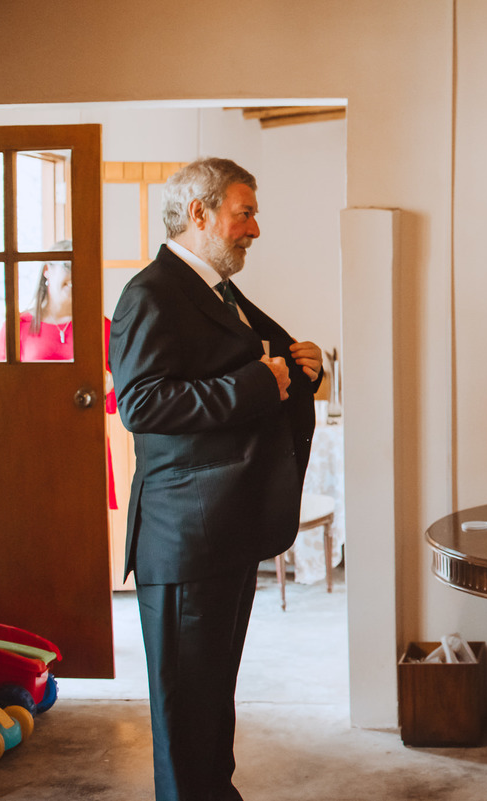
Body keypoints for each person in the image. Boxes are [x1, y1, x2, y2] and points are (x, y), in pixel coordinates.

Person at [109, 157, 322, 801]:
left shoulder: (215, 290)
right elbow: (142, 404)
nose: (254, 229)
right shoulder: (151, 294)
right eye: (245, 212)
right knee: (185, 712)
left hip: (222, 530)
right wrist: (261, 380)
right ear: (199, 213)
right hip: (184, 539)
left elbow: (256, 364)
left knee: (211, 702)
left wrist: (298, 366)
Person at [0, 240, 120, 509]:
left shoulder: (103, 328)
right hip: (32, 446)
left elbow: (112, 404)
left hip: (86, 446)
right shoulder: (17, 327)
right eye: (66, 266)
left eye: (81, 268)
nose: (74, 274)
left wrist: (110, 383)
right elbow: (5, 399)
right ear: (46, 271)